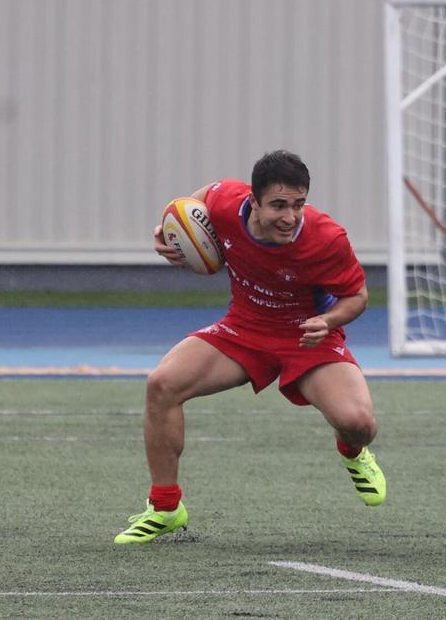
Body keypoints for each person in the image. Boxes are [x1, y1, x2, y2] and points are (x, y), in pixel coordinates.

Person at [114, 150, 386, 543]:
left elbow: (357, 297)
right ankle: (165, 508)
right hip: (245, 327)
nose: (290, 217)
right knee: (162, 384)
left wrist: (327, 322)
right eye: (278, 205)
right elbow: (196, 202)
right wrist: (170, 230)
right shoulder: (226, 201)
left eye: (298, 204)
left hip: (306, 337)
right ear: (252, 202)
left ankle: (352, 451)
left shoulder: (326, 237)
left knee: (359, 423)